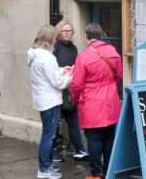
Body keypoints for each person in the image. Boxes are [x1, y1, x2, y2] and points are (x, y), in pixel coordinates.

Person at [71, 22, 123, 179]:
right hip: (110, 101)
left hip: (91, 103)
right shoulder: (112, 51)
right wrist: (108, 87)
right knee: (109, 137)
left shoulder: (84, 56)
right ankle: (108, 170)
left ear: (86, 37)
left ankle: (95, 173)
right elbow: (119, 75)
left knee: (93, 139)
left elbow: (76, 84)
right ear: (101, 36)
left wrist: (75, 99)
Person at [28, 24, 72, 179]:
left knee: (48, 134)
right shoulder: (47, 57)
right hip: (50, 101)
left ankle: (47, 164)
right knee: (48, 135)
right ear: (49, 39)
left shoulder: (35, 54)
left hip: (42, 99)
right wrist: (70, 75)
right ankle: (44, 169)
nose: (55, 40)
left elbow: (48, 75)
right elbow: (59, 83)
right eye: (54, 37)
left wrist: (62, 70)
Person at [53, 20, 89, 161]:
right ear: (59, 32)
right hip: (56, 88)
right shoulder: (55, 47)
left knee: (73, 120)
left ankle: (79, 149)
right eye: (64, 31)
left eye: (69, 31)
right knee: (54, 123)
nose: (67, 33)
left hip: (69, 88)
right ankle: (54, 150)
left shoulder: (73, 48)